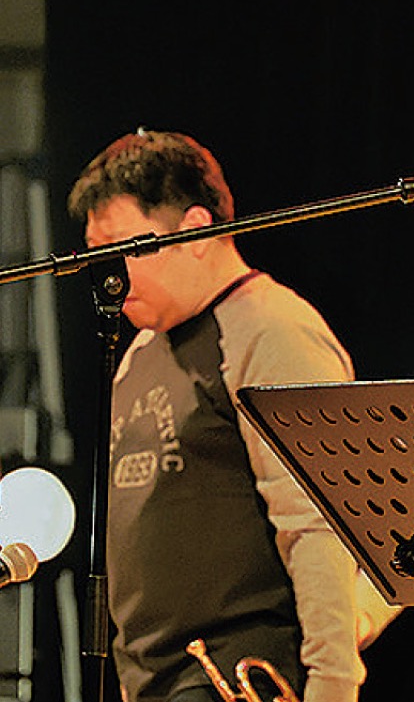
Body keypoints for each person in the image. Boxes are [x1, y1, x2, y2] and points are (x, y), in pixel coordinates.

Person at [67, 130, 369, 702]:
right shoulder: (139, 353)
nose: (108, 274)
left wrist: (333, 684)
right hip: (152, 683)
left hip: (242, 677)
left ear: (197, 230)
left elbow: (317, 529)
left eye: (123, 248)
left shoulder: (272, 331)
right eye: (94, 253)